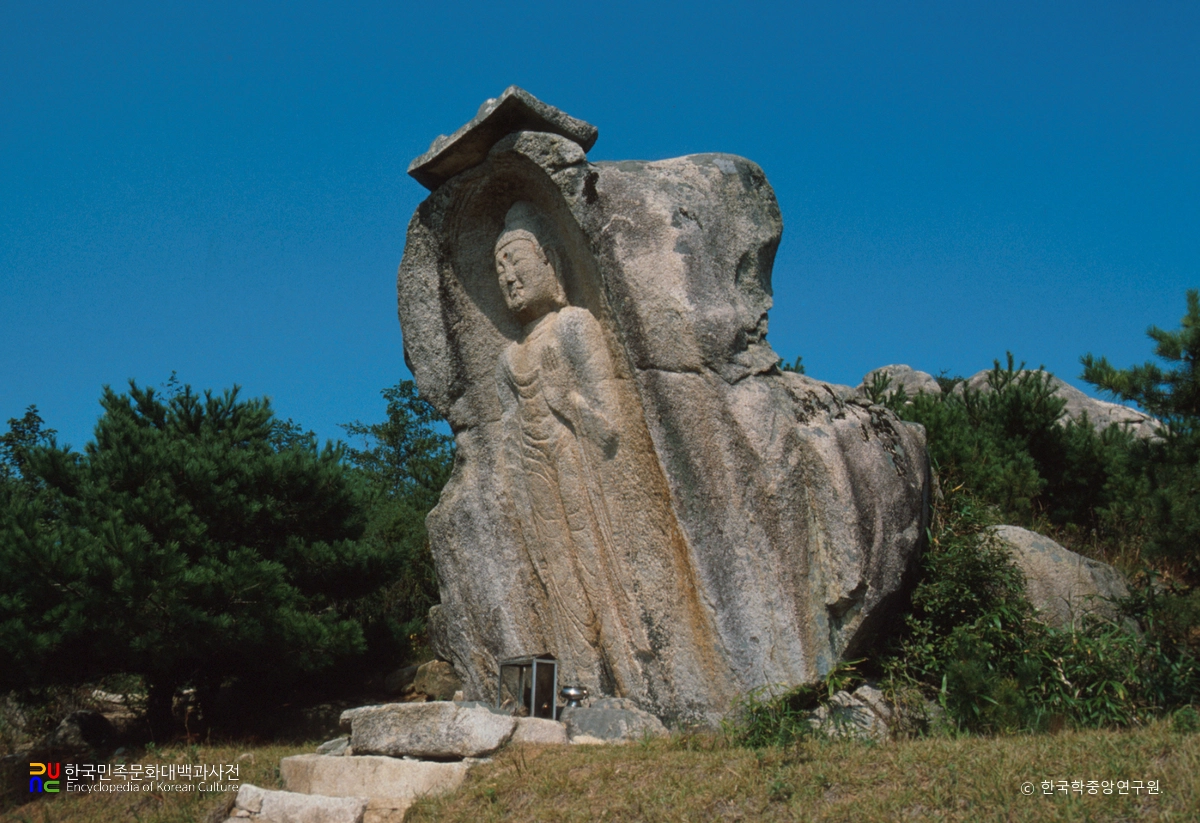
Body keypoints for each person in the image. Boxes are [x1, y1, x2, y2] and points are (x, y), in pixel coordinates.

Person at [494, 202, 645, 691]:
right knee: (558, 583)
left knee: (598, 573)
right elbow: (507, 443)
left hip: (582, 476)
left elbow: (613, 432)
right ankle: (580, 688)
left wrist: (569, 402)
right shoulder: (507, 358)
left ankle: (633, 684)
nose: (509, 277)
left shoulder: (575, 325)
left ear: (548, 260)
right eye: (498, 268)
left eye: (516, 259)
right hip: (538, 484)